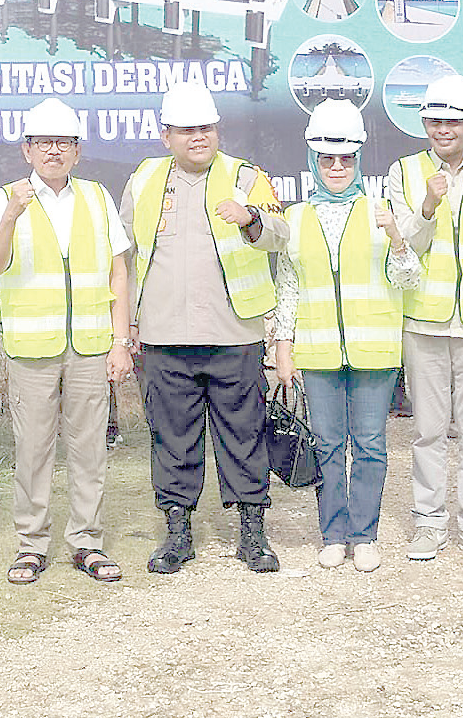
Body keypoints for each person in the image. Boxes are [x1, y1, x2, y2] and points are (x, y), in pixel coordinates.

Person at [122, 81, 288, 574]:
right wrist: (128, 323)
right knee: (172, 436)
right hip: (164, 334)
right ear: (165, 134)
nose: (200, 136)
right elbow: (125, 253)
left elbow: (281, 234)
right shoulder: (146, 179)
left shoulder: (246, 175)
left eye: (208, 127)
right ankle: (178, 531)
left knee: (243, 434)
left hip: (233, 331)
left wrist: (251, 218)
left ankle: (252, 534)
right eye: (188, 129)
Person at [0, 98, 132, 585]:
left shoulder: (95, 196)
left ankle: (87, 542)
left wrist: (121, 340)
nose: (54, 151)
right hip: (33, 348)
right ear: (27, 149)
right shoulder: (9, 197)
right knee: (32, 449)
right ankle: (31, 545)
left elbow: (118, 269)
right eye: (44, 142)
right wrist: (9, 215)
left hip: (89, 344)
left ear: (77, 151)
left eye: (63, 142)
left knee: (89, 448)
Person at [276, 100, 419, 573]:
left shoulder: (383, 212)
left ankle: (366, 534)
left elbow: (409, 278)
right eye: (326, 159)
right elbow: (289, 287)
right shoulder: (294, 218)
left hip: (373, 351)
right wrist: (282, 348)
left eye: (345, 159)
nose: (336, 167)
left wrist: (397, 238)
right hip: (316, 353)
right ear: (313, 161)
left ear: (359, 159)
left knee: (372, 445)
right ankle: (333, 534)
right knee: (327, 445)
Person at [385, 76, 463, 563]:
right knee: (428, 431)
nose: (443, 129)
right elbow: (404, 244)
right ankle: (429, 523)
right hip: (424, 317)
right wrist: (428, 206)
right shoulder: (404, 171)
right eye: (435, 120)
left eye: (454, 121)